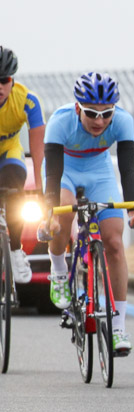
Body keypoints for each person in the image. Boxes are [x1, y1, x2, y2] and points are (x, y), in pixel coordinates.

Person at [42, 72, 134, 355]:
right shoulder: (60, 121)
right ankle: (59, 269)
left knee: (113, 242)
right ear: (78, 108)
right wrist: (49, 212)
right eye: (91, 113)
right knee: (61, 215)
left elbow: (127, 172)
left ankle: (118, 327)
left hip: (99, 172)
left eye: (106, 114)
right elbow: (52, 173)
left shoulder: (123, 121)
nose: (99, 121)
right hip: (64, 170)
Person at [0, 46, 45, 284]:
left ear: (12, 80)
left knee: (16, 184)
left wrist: (39, 188)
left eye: (4, 80)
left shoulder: (27, 100)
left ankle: (16, 251)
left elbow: (38, 151)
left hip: (9, 152)